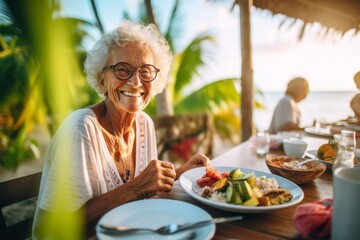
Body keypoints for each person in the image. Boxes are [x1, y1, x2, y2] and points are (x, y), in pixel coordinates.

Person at [32, 21, 210, 238]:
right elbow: (53, 230)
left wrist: (183, 174)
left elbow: (145, 193)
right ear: (102, 79)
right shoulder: (80, 130)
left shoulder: (144, 123)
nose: (136, 82)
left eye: (146, 72)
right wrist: (134, 188)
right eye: (122, 70)